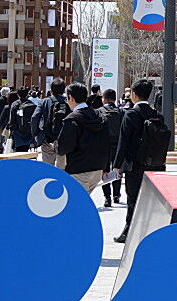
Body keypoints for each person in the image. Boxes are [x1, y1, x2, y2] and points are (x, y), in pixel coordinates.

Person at [112, 80, 165, 244]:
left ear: (134, 95)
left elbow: (123, 142)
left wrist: (117, 165)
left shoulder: (131, 115)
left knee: (133, 199)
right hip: (155, 165)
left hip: (134, 165)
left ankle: (129, 231)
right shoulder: (158, 116)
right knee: (151, 200)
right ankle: (152, 231)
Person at [56, 83, 110, 194]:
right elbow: (107, 142)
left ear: (71, 98)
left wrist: (56, 145)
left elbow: (63, 147)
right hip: (98, 168)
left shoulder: (72, 119)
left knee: (76, 202)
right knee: (84, 199)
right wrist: (106, 168)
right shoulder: (100, 116)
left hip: (79, 169)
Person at [98, 88, 124, 208]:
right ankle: (116, 195)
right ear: (114, 99)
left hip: (103, 146)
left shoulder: (99, 112)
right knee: (117, 169)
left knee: (105, 172)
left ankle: (107, 197)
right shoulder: (121, 112)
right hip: (118, 145)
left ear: (104, 99)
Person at [32, 82, 68, 169]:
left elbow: (34, 117)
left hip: (47, 139)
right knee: (62, 169)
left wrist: (36, 133)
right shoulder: (68, 101)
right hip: (64, 140)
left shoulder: (44, 101)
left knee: (47, 168)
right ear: (64, 90)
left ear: (51, 90)